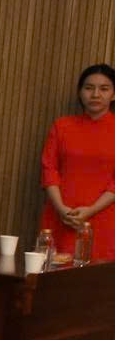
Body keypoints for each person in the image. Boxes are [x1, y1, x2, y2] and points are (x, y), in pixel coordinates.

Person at [41, 64, 115, 262]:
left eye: (104, 89)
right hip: (62, 215)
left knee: (98, 277)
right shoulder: (62, 126)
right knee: (56, 274)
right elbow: (49, 169)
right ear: (80, 92)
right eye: (89, 88)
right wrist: (61, 208)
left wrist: (90, 210)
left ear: (113, 95)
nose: (95, 94)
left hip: (104, 218)